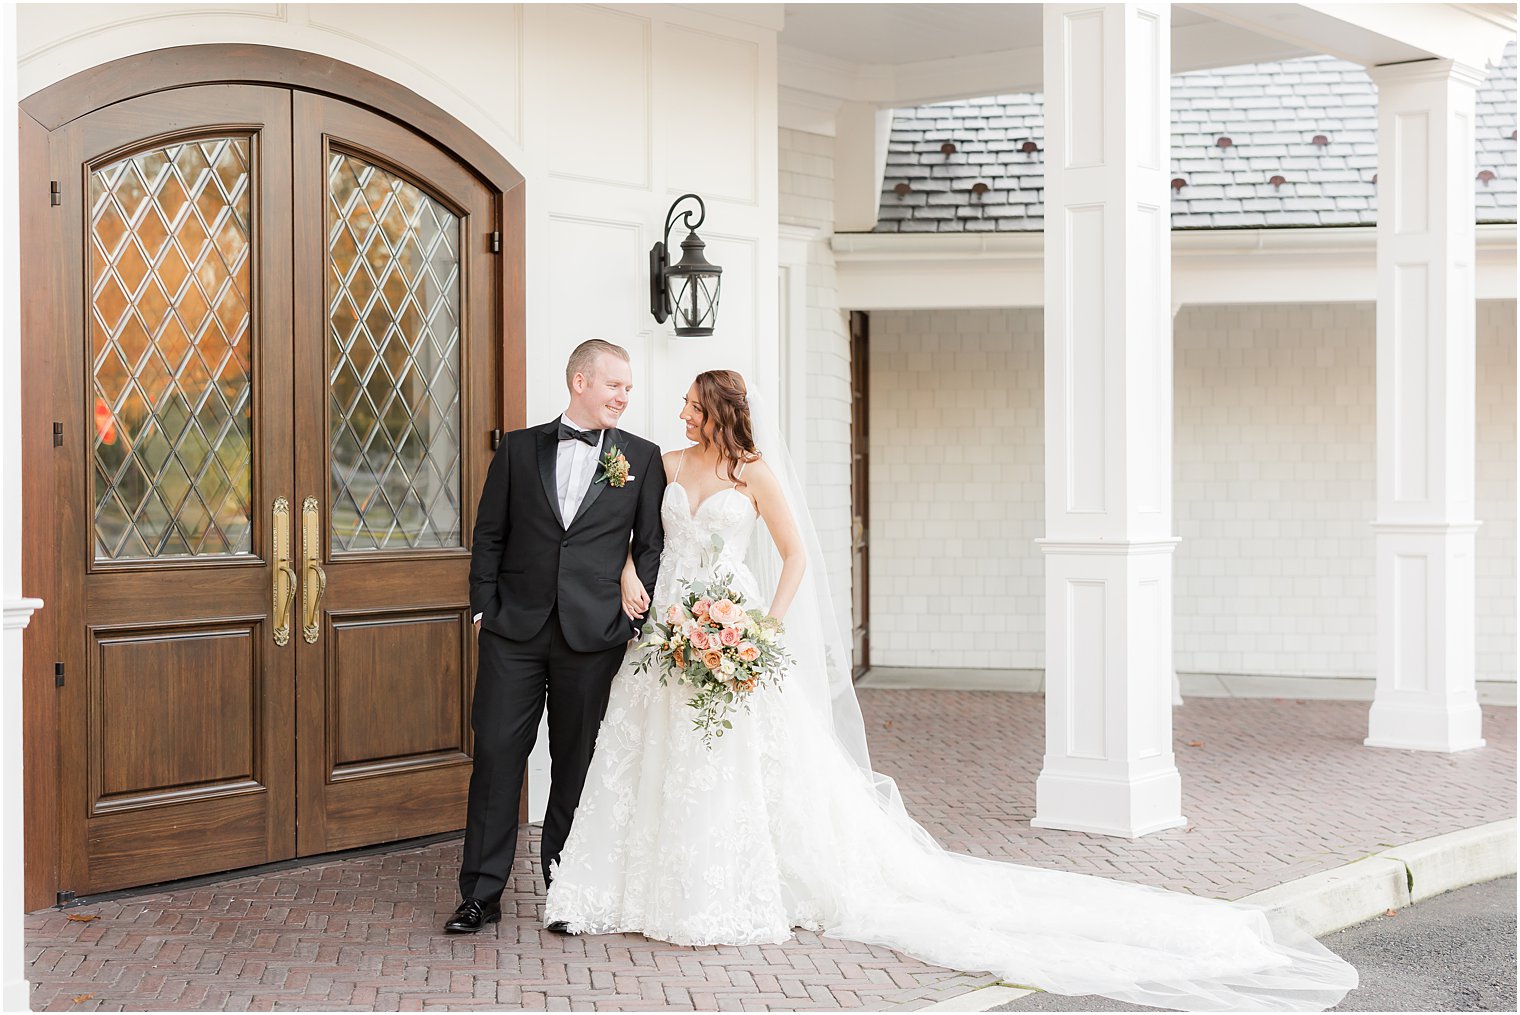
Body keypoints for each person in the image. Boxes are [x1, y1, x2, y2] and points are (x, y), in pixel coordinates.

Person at [542, 368, 1360, 1012]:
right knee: (652, 753)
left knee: (742, 766)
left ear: (718, 409)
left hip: (733, 625)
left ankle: (727, 882)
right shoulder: (660, 462)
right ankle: (641, 884)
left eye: (690, 402)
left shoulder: (754, 472)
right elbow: (633, 534)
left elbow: (794, 558)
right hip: (666, 633)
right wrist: (623, 576)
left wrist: (765, 629)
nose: (679, 411)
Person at [446, 339, 666, 934]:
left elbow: (649, 544)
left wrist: (631, 614)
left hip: (592, 637)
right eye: (615, 384)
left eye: (628, 387)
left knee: (575, 764)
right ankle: (480, 894)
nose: (625, 396)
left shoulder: (642, 459)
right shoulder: (519, 449)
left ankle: (565, 889)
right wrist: (482, 609)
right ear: (579, 382)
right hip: (512, 632)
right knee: (495, 755)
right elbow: (489, 533)